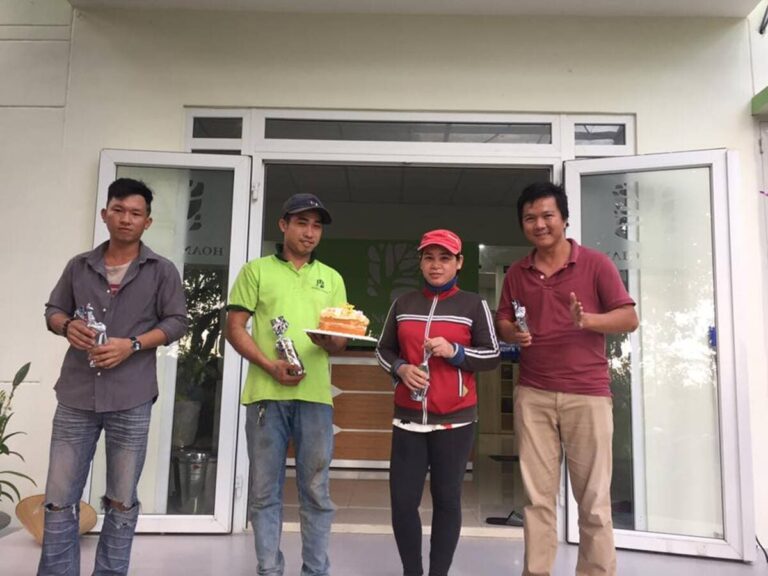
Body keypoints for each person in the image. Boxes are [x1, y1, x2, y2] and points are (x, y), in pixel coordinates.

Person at [40, 178, 187, 575]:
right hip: (76, 394)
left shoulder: (161, 271)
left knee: (122, 499)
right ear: (105, 214)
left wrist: (133, 345)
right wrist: (66, 325)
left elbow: (177, 321)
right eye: (119, 210)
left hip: (131, 395)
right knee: (58, 498)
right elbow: (53, 310)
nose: (126, 219)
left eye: (135, 213)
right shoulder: (79, 266)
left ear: (147, 222)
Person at [496, 182, 639, 576]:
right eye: (530, 218)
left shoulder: (595, 264)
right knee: (537, 500)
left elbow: (629, 318)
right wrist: (513, 333)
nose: (539, 224)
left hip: (587, 395)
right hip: (533, 393)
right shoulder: (518, 273)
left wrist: (588, 320)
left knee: (593, 501)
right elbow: (503, 319)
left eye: (547, 215)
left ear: (564, 219)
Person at [224, 193, 348, 576]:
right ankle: (269, 570)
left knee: (316, 491)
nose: (309, 232)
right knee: (264, 492)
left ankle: (316, 571)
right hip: (266, 395)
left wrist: (329, 342)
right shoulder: (256, 271)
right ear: (283, 225)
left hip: (315, 397)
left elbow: (340, 341)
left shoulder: (333, 278)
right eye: (301, 223)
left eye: (316, 226)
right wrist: (268, 365)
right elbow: (234, 328)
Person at [376, 229, 501, 576]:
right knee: (403, 503)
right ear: (420, 262)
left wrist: (455, 351)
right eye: (429, 258)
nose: (436, 265)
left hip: (455, 422)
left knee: (447, 501)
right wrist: (400, 369)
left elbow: (491, 355)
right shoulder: (403, 304)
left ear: (459, 263)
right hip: (408, 420)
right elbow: (383, 350)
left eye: (445, 258)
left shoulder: (474, 305)